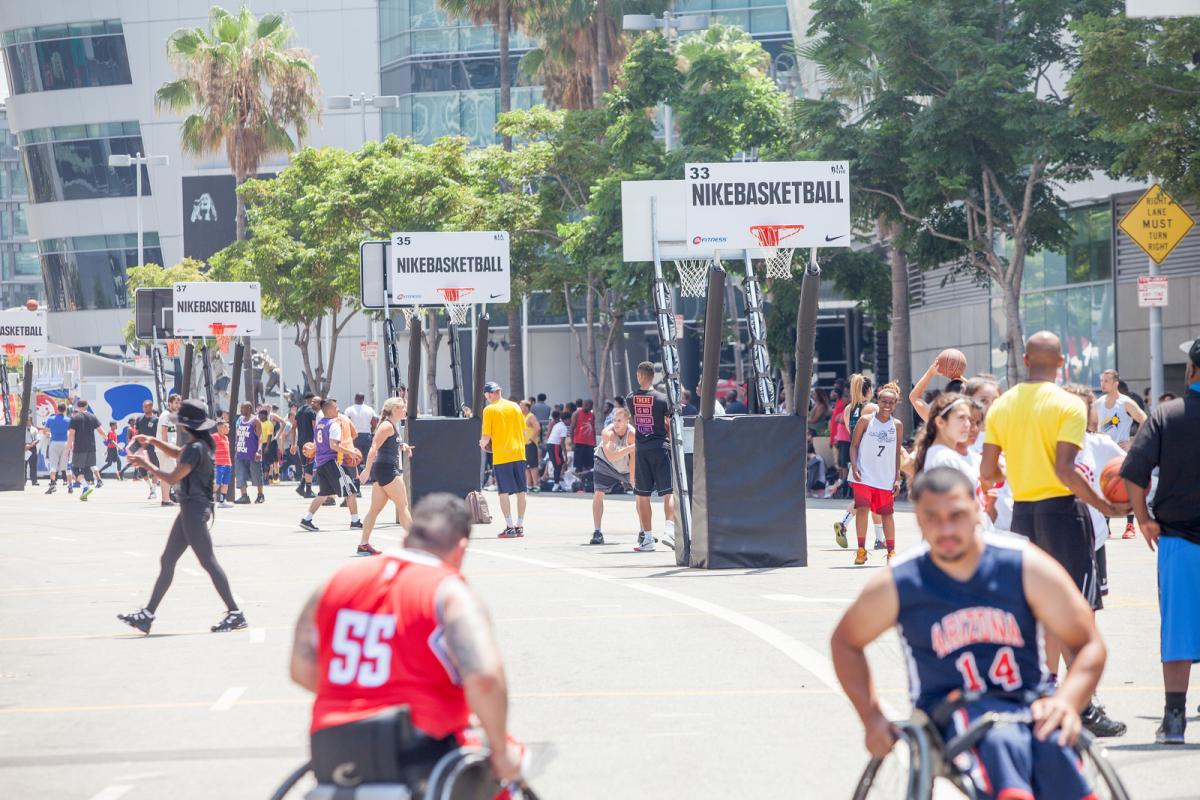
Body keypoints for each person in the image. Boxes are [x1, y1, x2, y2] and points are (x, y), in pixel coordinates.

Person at [831, 468, 1107, 800]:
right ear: (917, 518)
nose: (946, 528)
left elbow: (1088, 642)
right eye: (932, 518)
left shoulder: (1024, 565)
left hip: (1027, 702)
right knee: (999, 738)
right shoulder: (901, 582)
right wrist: (871, 717)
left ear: (977, 508)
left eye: (956, 515)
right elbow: (845, 641)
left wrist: (1068, 700)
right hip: (951, 713)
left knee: (1052, 743)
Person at [288, 494, 526, 789]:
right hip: (419, 753)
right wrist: (502, 751)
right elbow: (485, 678)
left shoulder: (335, 581)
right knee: (500, 769)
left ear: (405, 537)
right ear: (460, 550)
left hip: (332, 748)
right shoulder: (448, 592)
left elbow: (301, 669)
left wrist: (360, 697)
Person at [981, 331, 1128, 737]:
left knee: (1039, 614)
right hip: (1063, 514)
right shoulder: (1069, 404)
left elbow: (988, 473)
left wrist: (1019, 471)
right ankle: (1083, 707)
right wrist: (1105, 506)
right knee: (1078, 614)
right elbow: (1066, 471)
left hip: (1023, 517)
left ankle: (1039, 698)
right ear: (1062, 362)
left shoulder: (1002, 405)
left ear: (1025, 360)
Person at [1120, 337, 1200, 744]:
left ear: (1190, 371)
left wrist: (1143, 518)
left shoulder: (1165, 415)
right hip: (1180, 535)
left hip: (1179, 540)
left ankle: (1173, 720)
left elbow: (1133, 472)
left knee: (1179, 632)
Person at [118, 399, 245, 634]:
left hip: (195, 511)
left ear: (186, 426)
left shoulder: (196, 448)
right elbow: (177, 453)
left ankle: (235, 613)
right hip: (190, 509)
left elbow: (173, 477)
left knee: (208, 562)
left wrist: (146, 464)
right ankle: (147, 615)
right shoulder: (198, 445)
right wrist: (154, 440)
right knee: (167, 560)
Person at [1061, 384, 1123, 602]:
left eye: (1082, 407)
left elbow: (1131, 470)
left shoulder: (1099, 444)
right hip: (1055, 532)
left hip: (1092, 536)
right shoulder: (1046, 444)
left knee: (1088, 606)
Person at [847, 382, 903, 564]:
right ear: (877, 401)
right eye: (884, 401)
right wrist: (854, 466)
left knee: (887, 514)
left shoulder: (897, 425)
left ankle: (891, 552)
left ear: (895, 404)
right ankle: (861, 549)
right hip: (864, 474)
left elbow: (896, 453)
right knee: (862, 509)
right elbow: (854, 445)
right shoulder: (866, 420)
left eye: (891, 402)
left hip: (885, 477)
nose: (887, 405)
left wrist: (897, 478)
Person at [357, 396, 414, 557]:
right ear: (395, 409)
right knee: (403, 506)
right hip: (387, 470)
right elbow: (374, 447)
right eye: (403, 408)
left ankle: (363, 545)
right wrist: (366, 470)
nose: (405, 410)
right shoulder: (387, 426)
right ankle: (416, 545)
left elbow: (389, 445)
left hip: (383, 470)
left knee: (374, 510)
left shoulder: (392, 426)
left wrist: (403, 446)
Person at [630, 361, 675, 552]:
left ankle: (647, 538)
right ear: (652, 377)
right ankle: (670, 531)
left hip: (642, 449)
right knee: (668, 492)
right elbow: (669, 420)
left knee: (642, 495)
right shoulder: (662, 399)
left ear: (639, 376)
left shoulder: (630, 398)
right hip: (661, 446)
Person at [1096, 369, 1147, 540]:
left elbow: (1144, 419)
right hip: (1104, 453)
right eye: (1102, 380)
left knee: (1126, 488)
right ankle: (1106, 526)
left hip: (1122, 453)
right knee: (1105, 487)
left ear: (1116, 383)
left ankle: (1130, 525)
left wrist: (1133, 442)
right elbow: (1090, 424)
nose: (1102, 384)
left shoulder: (1125, 402)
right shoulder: (1098, 403)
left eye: (1106, 381)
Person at [835, 375, 883, 550]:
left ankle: (879, 538)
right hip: (873, 458)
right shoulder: (872, 407)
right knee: (874, 497)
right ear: (869, 390)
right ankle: (846, 524)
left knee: (867, 499)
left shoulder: (848, 409)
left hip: (856, 457)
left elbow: (851, 433)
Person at [300, 398, 362, 532]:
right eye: (335, 408)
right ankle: (355, 521)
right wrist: (350, 452)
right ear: (329, 410)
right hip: (332, 463)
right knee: (351, 491)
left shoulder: (319, 425)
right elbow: (334, 446)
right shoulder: (333, 425)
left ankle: (307, 519)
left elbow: (319, 444)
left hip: (321, 463)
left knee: (323, 494)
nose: (338, 410)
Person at [479, 381, 529, 538]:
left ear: (489, 394)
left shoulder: (489, 410)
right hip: (519, 453)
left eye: (486, 395)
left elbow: (486, 437)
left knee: (503, 492)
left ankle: (509, 526)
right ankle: (520, 525)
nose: (486, 398)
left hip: (502, 455)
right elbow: (522, 429)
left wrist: (481, 443)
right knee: (522, 491)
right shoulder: (515, 406)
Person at [590, 407, 636, 545]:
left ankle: (643, 532)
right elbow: (610, 456)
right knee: (598, 493)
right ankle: (597, 532)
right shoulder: (607, 433)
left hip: (625, 467)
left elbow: (633, 459)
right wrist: (631, 447)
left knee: (641, 494)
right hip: (605, 464)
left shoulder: (632, 434)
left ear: (627, 421)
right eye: (614, 420)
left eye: (619, 420)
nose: (616, 423)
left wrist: (632, 479)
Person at [66, 399, 103, 501]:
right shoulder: (92, 417)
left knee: (74, 468)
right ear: (86, 406)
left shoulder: (75, 418)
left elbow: (71, 434)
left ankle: (86, 486)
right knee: (85, 469)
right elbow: (101, 431)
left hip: (79, 448)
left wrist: (68, 447)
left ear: (77, 406)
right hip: (91, 448)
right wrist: (107, 439)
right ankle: (84, 493)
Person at [233, 402, 265, 505]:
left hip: (252, 453)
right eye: (241, 408)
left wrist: (259, 450)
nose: (241, 410)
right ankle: (244, 496)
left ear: (249, 408)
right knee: (240, 474)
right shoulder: (240, 420)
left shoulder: (255, 420)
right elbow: (238, 434)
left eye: (243, 408)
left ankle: (260, 495)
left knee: (256, 474)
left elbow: (260, 436)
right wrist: (236, 447)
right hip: (240, 452)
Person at [156, 394, 183, 506]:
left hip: (165, 449)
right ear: (170, 403)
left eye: (179, 403)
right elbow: (164, 432)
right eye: (176, 403)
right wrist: (166, 449)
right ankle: (167, 499)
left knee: (167, 474)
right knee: (171, 474)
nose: (178, 405)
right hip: (165, 449)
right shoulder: (166, 415)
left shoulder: (171, 415)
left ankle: (166, 499)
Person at [343, 393, 378, 477]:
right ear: (363, 399)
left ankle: (356, 477)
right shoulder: (369, 409)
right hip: (367, 436)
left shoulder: (349, 409)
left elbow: (346, 422)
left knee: (355, 457)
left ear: (355, 398)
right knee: (369, 458)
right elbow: (374, 422)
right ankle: (372, 477)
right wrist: (371, 430)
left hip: (355, 436)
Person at [133, 400, 161, 499]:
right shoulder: (139, 419)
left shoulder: (157, 420)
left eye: (146, 407)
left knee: (154, 469)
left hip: (152, 448)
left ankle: (153, 491)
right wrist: (138, 442)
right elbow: (136, 432)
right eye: (143, 407)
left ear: (151, 407)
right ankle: (151, 487)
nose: (144, 409)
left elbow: (159, 434)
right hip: (141, 448)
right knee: (141, 470)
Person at [293, 393, 319, 498]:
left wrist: (293, 444)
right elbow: (315, 428)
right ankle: (308, 490)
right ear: (312, 400)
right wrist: (316, 442)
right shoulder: (312, 411)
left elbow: (293, 427)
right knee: (309, 467)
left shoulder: (299, 411)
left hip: (300, 442)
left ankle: (301, 486)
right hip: (310, 443)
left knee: (305, 466)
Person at [43, 402, 71, 494]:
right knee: (66, 466)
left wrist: (50, 434)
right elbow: (71, 432)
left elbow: (45, 432)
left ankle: (52, 484)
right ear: (65, 410)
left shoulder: (50, 419)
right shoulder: (68, 420)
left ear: (57, 409)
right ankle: (70, 486)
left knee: (53, 465)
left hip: (54, 443)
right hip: (65, 443)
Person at [570, 399, 597, 478]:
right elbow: (572, 428)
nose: (587, 406)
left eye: (589, 405)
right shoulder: (576, 414)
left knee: (589, 464)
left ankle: (587, 480)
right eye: (585, 404)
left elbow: (593, 429)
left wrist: (594, 442)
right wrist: (572, 443)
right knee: (578, 464)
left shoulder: (592, 415)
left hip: (590, 443)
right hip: (579, 442)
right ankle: (578, 481)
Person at [521, 400, 541, 492]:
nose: (520, 407)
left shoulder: (531, 416)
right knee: (526, 466)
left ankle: (536, 485)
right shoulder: (522, 417)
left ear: (526, 407)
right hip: (523, 444)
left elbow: (537, 428)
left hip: (530, 444)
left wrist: (531, 440)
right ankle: (529, 485)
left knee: (533, 465)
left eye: (521, 406)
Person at [545, 410, 569, 487]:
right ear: (567, 419)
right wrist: (565, 454)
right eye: (570, 419)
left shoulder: (557, 425)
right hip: (555, 445)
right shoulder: (563, 427)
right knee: (558, 465)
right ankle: (556, 484)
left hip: (551, 445)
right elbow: (562, 442)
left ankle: (558, 483)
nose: (571, 421)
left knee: (559, 463)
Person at [214, 418, 233, 508]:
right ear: (221, 428)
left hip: (227, 464)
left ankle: (222, 501)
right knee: (217, 483)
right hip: (218, 464)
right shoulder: (214, 436)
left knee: (225, 483)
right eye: (227, 427)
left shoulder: (226, 438)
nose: (229, 429)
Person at [24, 416, 39, 487]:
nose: (27, 422)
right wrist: (25, 445)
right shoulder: (22, 428)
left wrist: (32, 444)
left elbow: (37, 439)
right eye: (26, 420)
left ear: (31, 421)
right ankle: (23, 481)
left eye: (28, 420)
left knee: (33, 465)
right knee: (24, 465)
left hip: (32, 448)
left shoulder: (34, 429)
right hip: (24, 448)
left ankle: (34, 481)